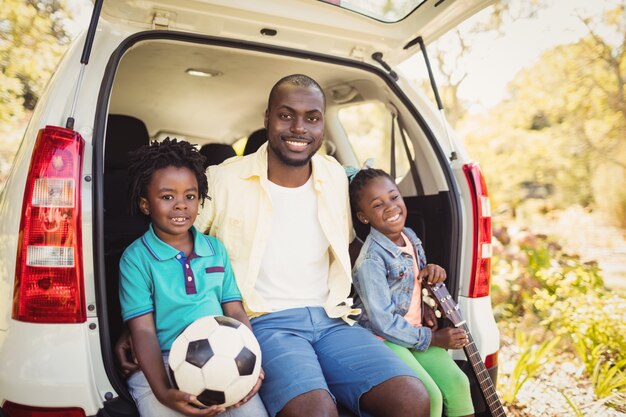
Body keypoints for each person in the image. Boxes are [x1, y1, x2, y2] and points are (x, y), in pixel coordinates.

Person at [118, 74, 430, 417]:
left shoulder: (338, 177)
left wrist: (413, 287)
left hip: (333, 318)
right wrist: (135, 327)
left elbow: (378, 228)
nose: (299, 128)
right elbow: (178, 241)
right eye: (286, 115)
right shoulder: (224, 179)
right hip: (263, 322)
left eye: (312, 118)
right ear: (267, 119)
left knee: (411, 398)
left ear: (322, 124)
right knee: (316, 411)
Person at [118, 138, 267, 417]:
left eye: (190, 196)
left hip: (226, 354)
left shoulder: (215, 249)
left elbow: (234, 309)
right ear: (145, 204)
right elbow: (144, 331)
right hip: (161, 362)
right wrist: (163, 392)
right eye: (167, 197)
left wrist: (251, 362)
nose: (180, 205)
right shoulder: (135, 258)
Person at [347, 167, 475, 417]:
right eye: (377, 204)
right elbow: (382, 323)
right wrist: (434, 339)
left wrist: (431, 273)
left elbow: (415, 279)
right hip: (384, 339)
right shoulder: (371, 261)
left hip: (415, 331)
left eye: (394, 197)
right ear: (364, 217)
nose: (391, 207)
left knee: (458, 383)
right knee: (429, 396)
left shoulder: (409, 236)